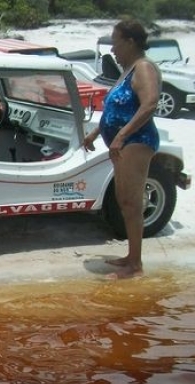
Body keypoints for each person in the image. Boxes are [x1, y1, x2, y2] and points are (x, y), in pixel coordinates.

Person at [83, 19, 160, 279]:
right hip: (124, 142)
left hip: (137, 141)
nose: (112, 48)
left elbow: (149, 105)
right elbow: (117, 108)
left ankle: (135, 265)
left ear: (130, 42)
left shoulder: (144, 68)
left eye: (115, 42)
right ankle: (131, 256)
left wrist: (122, 136)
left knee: (131, 202)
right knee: (124, 200)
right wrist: (96, 132)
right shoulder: (127, 69)